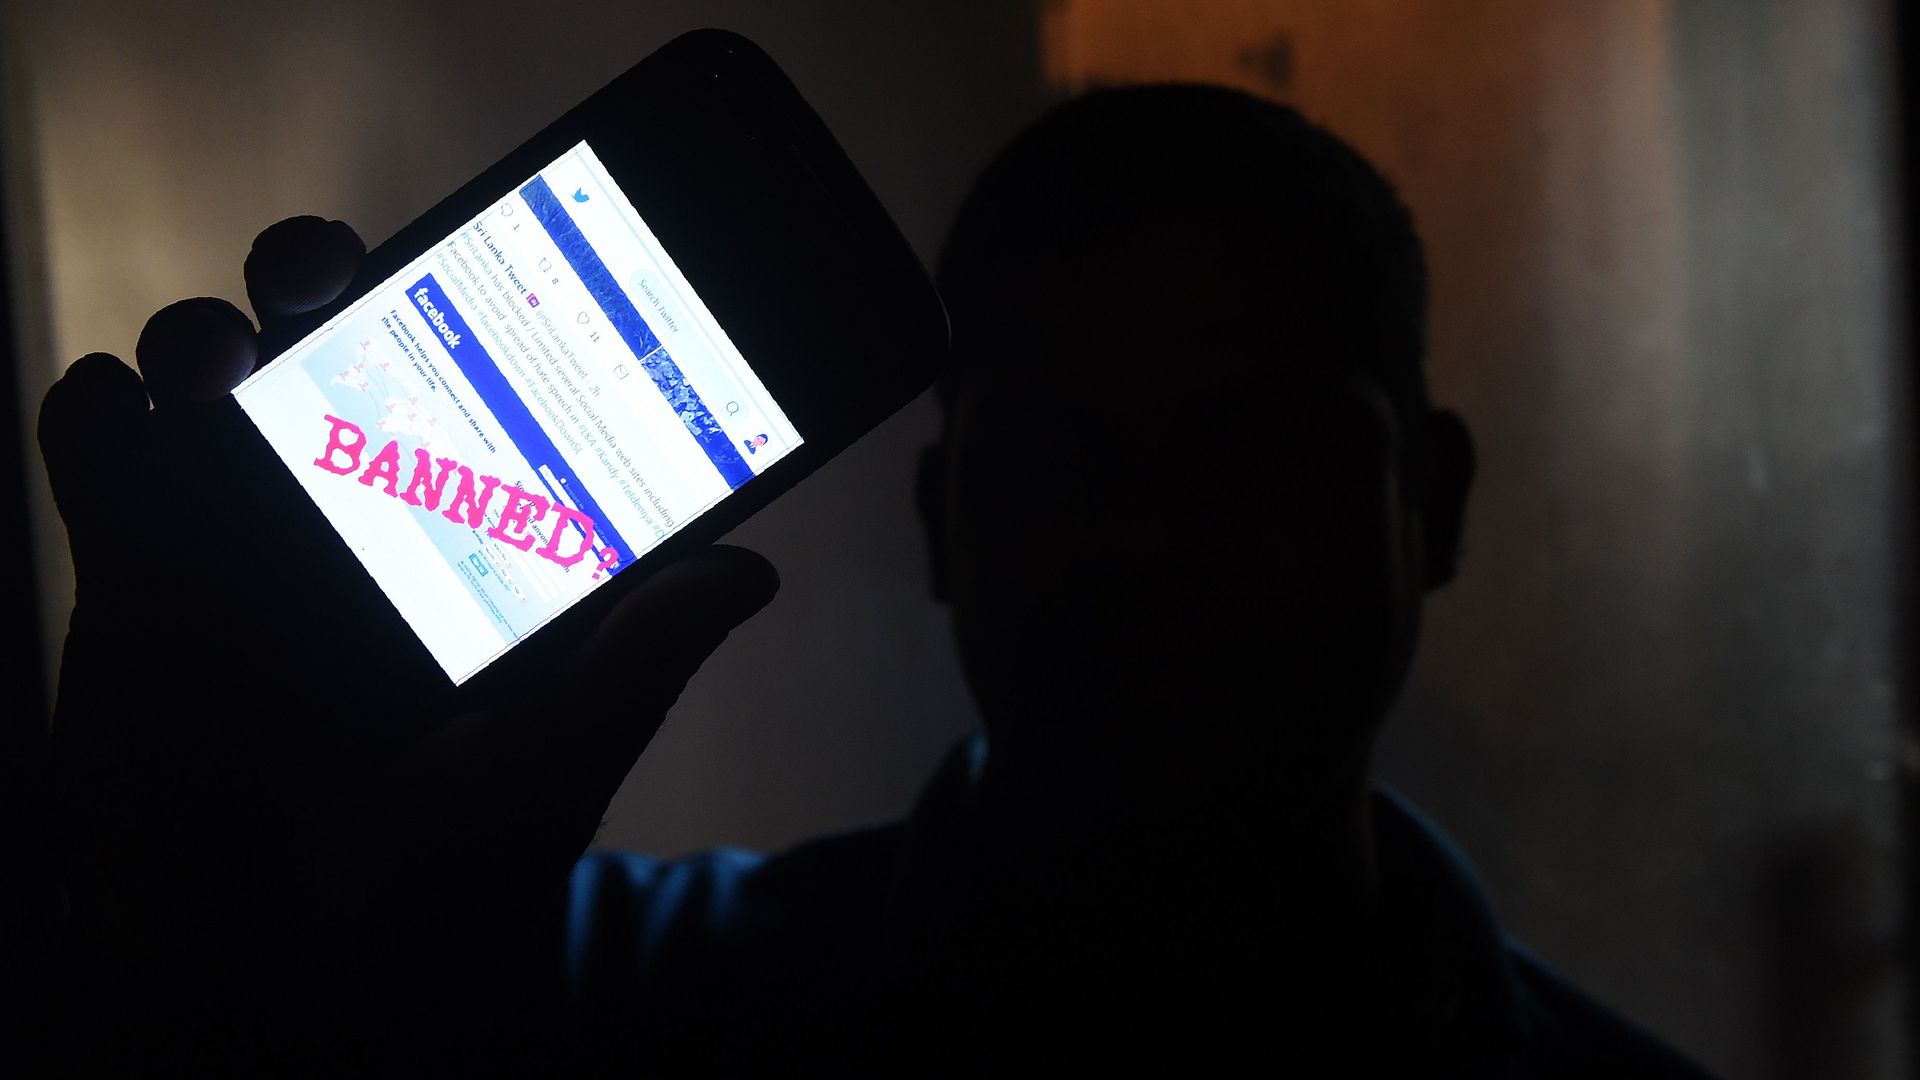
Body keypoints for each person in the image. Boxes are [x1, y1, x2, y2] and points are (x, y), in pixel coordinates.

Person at [26, 85, 1715, 1075]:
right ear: (936, 516)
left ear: (1438, 500)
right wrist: (173, 963)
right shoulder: (548, 998)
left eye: (1263, 444)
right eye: (1068, 447)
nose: (1157, 531)